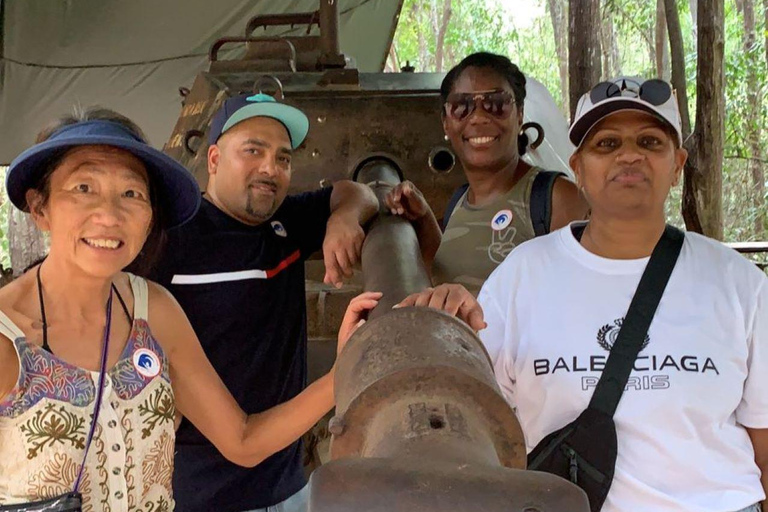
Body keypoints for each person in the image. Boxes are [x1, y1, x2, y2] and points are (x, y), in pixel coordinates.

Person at [399, 77, 768, 512]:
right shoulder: (522, 275)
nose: (629, 155)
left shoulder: (739, 283)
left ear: (677, 165)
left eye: (649, 141)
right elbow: (470, 414)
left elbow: (763, 437)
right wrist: (443, 327)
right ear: (578, 167)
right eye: (606, 144)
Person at [0, 108, 380, 511]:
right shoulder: (9, 336)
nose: (109, 214)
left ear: (148, 220)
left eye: (132, 193)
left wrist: (342, 372)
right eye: (83, 187)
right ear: (40, 208)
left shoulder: (153, 312)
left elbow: (242, 440)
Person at [149, 93, 379, 512]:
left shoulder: (286, 223)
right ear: (215, 159)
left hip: (289, 486)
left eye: (283, 158)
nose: (270, 169)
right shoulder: (171, 241)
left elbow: (355, 191)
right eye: (253, 150)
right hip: (201, 495)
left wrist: (343, 218)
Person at [385, 52, 588, 294]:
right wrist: (423, 219)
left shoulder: (556, 199)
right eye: (462, 106)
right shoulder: (459, 201)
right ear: (446, 123)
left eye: (497, 104)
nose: (479, 117)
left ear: (520, 114)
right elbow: (448, 278)